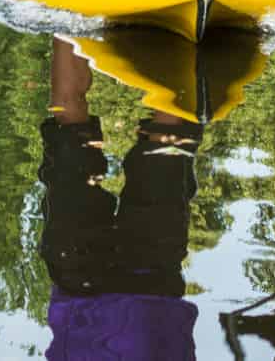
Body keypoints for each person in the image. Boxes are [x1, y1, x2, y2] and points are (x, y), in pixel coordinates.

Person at [39, 39, 200, 361]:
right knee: (74, 132)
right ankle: (69, 12)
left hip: (129, 286)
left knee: (164, 138)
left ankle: (68, 10)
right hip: (122, 285)